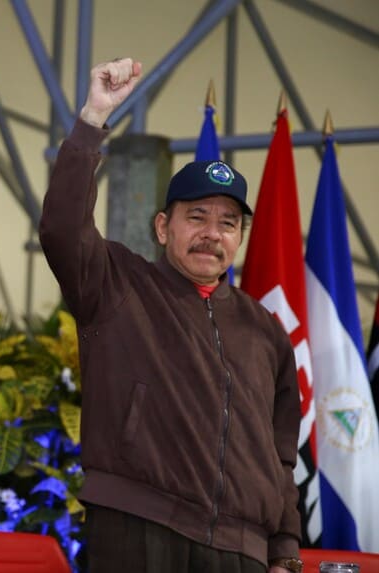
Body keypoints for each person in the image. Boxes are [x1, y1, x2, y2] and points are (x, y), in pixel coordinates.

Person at [39, 58, 303, 573]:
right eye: (196, 216)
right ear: (163, 227)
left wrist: (285, 550)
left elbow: (281, 453)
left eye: (228, 223)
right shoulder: (117, 284)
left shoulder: (264, 329)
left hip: (242, 549)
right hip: (140, 527)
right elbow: (62, 228)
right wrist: (93, 119)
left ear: (240, 238)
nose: (212, 233)